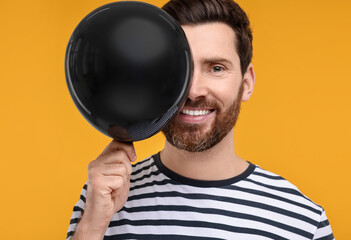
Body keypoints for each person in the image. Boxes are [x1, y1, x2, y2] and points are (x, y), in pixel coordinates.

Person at [67, 0, 334, 239]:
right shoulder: (101, 201)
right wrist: (91, 228)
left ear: (247, 82)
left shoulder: (303, 221)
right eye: (180, 69)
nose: (194, 91)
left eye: (216, 68)